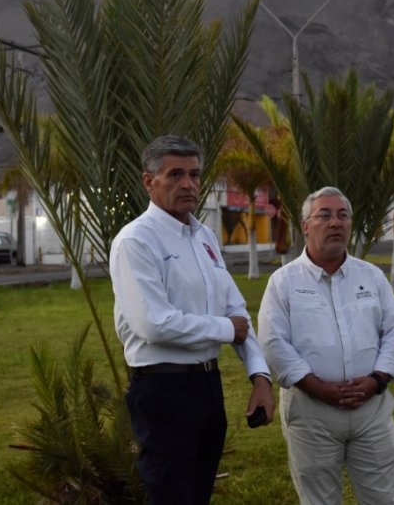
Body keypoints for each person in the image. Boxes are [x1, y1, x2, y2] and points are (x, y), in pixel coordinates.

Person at [110, 135, 274, 504]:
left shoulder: (204, 237)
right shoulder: (136, 241)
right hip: (162, 391)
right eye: (175, 174)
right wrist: (224, 329)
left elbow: (236, 309)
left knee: (198, 495)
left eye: (195, 175)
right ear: (149, 182)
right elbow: (153, 323)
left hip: (206, 386)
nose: (188, 184)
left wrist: (259, 375)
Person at [258, 186, 394, 505]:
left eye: (343, 215)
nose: (335, 223)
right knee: (319, 500)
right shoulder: (284, 282)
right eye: (324, 215)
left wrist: (377, 380)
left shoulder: (372, 277)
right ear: (305, 226)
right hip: (311, 411)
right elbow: (273, 340)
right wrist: (315, 386)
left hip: (371, 409)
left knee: (384, 497)